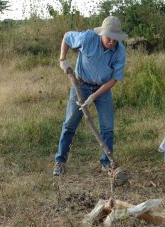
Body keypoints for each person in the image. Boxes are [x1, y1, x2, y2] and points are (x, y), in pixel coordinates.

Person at [53, 16, 128, 176]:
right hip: (80, 85)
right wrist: (62, 59)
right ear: (102, 34)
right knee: (70, 124)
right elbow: (67, 36)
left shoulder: (119, 50)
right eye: (109, 38)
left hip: (103, 88)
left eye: (115, 39)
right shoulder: (87, 38)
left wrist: (94, 96)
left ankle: (107, 163)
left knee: (107, 128)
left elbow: (115, 78)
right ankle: (60, 161)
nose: (112, 42)